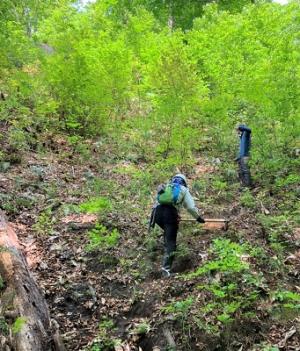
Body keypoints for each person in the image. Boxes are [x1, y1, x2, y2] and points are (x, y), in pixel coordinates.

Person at [149, 174, 205, 277]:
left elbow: (157, 203)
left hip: (157, 214)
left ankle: (167, 247)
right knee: (171, 241)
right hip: (169, 215)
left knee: (168, 234)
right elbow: (191, 207)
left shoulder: (167, 187)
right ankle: (166, 270)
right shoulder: (183, 189)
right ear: (184, 182)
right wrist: (198, 218)